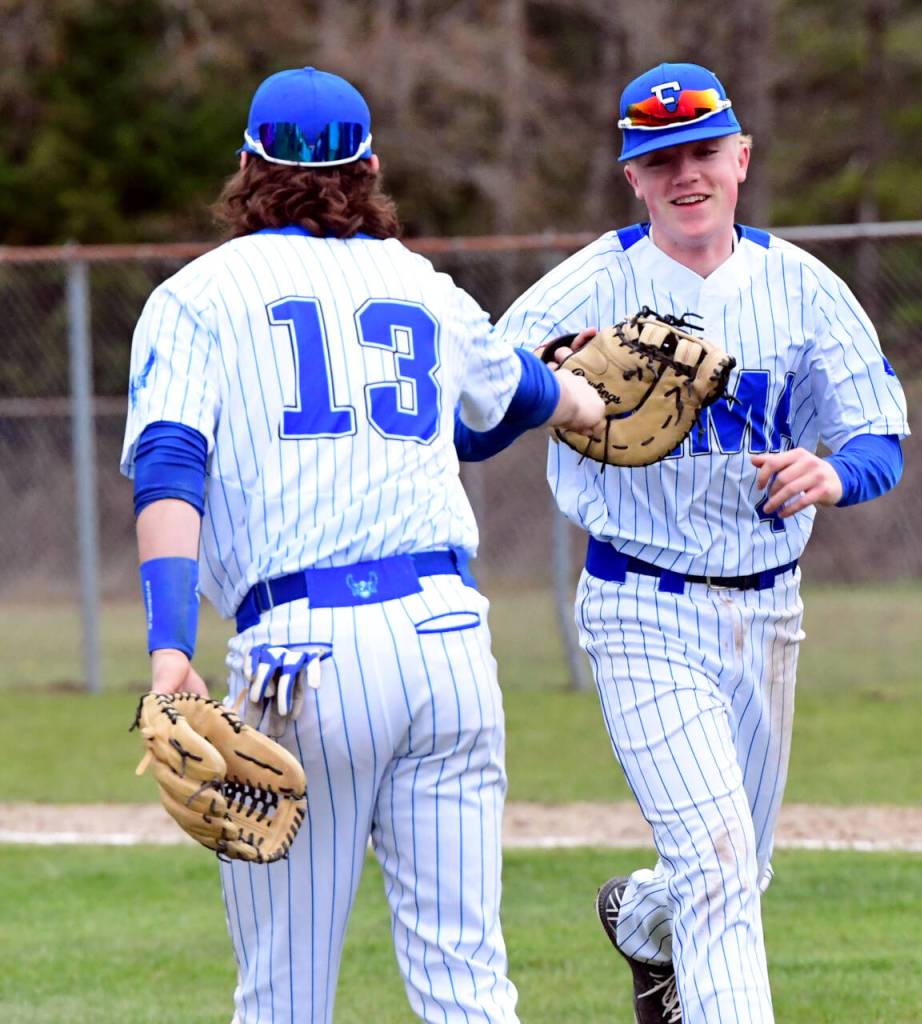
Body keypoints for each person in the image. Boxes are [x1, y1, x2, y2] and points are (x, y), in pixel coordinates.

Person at [120, 66, 603, 1024]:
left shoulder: (198, 295)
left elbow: (172, 464)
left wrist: (170, 645)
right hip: (448, 645)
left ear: (246, 168)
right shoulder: (419, 283)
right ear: (371, 166)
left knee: (286, 995)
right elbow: (518, 399)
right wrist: (586, 393)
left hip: (305, 656)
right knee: (468, 983)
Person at [476, 62, 910, 1023]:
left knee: (734, 870)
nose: (686, 174)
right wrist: (546, 386)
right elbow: (467, 422)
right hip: (641, 602)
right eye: (659, 158)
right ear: (631, 174)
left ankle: (640, 920)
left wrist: (833, 474)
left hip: (768, 608)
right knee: (718, 866)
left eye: (704, 151)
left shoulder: (801, 286)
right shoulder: (589, 284)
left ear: (742, 157)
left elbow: (881, 438)